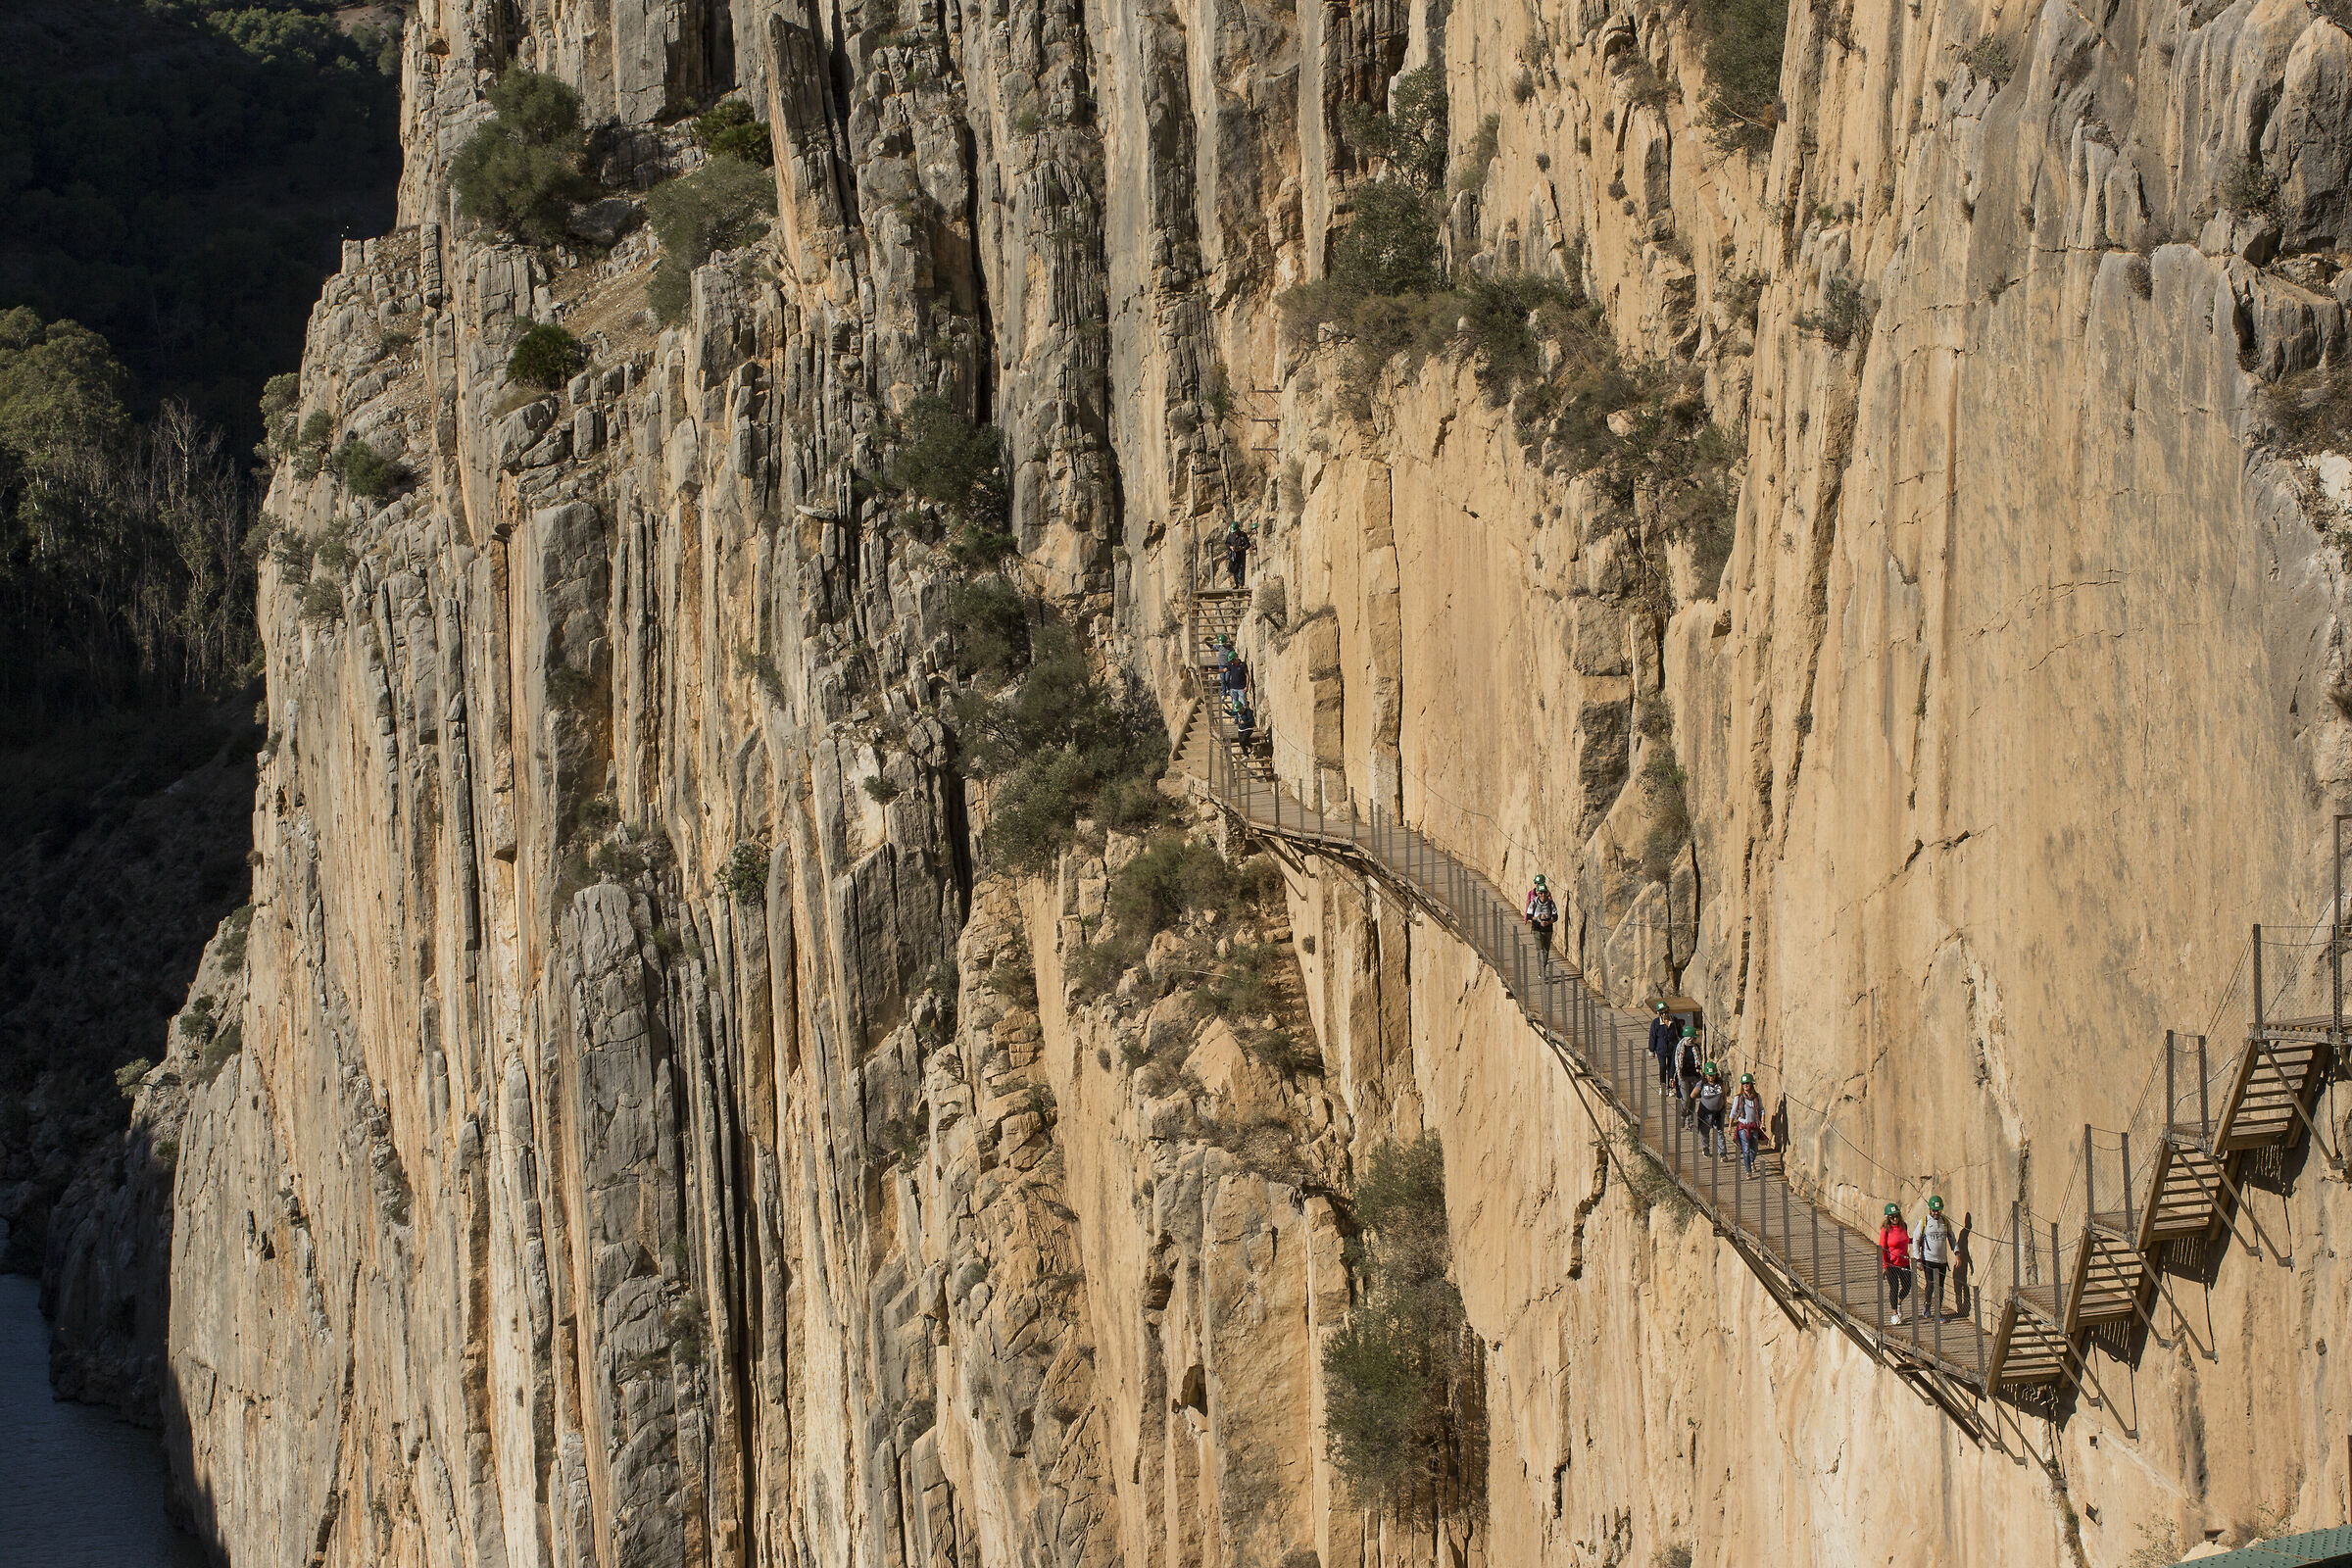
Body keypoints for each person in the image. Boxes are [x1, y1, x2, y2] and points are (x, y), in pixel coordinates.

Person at [1914, 1196, 1953, 1322]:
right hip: (1928, 1259)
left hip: (1942, 1260)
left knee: (1940, 1288)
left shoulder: (1945, 1222)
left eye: (1938, 1211)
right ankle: (1927, 1304)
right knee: (1930, 1285)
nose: (1936, 1213)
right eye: (1934, 1211)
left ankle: (1938, 1312)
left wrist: (1957, 1252)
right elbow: (1916, 1239)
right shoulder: (1924, 1222)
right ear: (1930, 1210)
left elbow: (1951, 1238)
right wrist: (1918, 1259)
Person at [1879, 1202, 1914, 1324]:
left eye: (1896, 1216)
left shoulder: (1904, 1226)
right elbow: (1882, 1248)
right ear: (1888, 1218)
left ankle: (1899, 1302)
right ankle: (1894, 1314)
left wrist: (1914, 1240)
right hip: (1891, 1264)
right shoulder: (1885, 1230)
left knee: (1907, 1285)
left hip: (1904, 1262)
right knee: (1894, 1287)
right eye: (1891, 1217)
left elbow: (1904, 1240)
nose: (1894, 1218)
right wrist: (1884, 1266)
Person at [1690, 1063, 1727, 1157]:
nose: (1711, 1077)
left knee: (1720, 1132)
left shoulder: (1720, 1083)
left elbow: (1724, 1094)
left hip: (1718, 1112)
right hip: (1706, 1113)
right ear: (1706, 1075)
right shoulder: (1702, 1083)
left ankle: (1722, 1153)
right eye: (1709, 1075)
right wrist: (1703, 1098)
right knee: (1705, 1131)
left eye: (1713, 1075)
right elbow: (1693, 1095)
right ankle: (1705, 1148)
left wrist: (1723, 1105)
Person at [1730, 1073, 1764, 1177]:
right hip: (1743, 1127)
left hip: (1754, 1126)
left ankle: (1751, 1161)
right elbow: (1734, 1111)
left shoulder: (1757, 1097)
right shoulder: (1738, 1098)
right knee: (1746, 1148)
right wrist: (1730, 1126)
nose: (1745, 1085)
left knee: (1754, 1148)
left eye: (1747, 1083)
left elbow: (1761, 1110)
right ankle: (1748, 1170)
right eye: (1743, 1083)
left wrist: (1762, 1122)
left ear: (1751, 1084)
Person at [1524, 874, 1558, 965]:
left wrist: (1547, 920)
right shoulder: (1531, 893)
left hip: (1547, 927)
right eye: (1536, 883)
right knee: (1540, 950)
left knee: (1546, 951)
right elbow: (1528, 906)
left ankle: (1543, 966)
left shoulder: (1548, 897)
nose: (1537, 884)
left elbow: (1553, 913)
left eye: (1539, 883)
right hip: (1536, 926)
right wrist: (1527, 918)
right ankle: (1541, 970)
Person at [1674, 1025, 1704, 1126]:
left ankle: (1691, 1121)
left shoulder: (1696, 1048)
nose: (1695, 1039)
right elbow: (1673, 1064)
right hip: (1683, 1077)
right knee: (1685, 1099)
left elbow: (1700, 1061)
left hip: (1694, 1076)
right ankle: (1682, 1116)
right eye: (1694, 1037)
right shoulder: (1679, 1047)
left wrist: (1699, 1069)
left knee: (1692, 1100)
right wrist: (1671, 1076)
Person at [1647, 1002, 1679, 1097]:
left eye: (1665, 1012)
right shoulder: (1656, 1023)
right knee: (1662, 1066)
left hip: (1672, 1048)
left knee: (1671, 1067)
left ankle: (1671, 1087)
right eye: (1661, 1013)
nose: (1664, 1015)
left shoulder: (1674, 1021)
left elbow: (1679, 1033)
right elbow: (1653, 1036)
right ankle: (1662, 1086)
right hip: (1661, 1049)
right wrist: (1651, 1049)